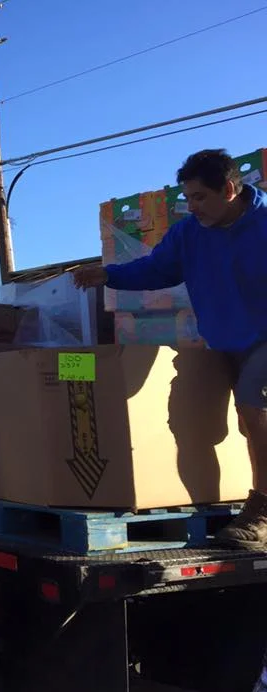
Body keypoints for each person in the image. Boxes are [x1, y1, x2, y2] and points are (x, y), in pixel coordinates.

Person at [73, 149, 267, 549]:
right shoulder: (189, 234)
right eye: (188, 198)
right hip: (224, 341)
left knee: (255, 407)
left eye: (199, 197)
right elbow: (157, 269)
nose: (191, 207)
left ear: (229, 190)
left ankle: (262, 513)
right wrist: (107, 274)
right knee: (227, 425)